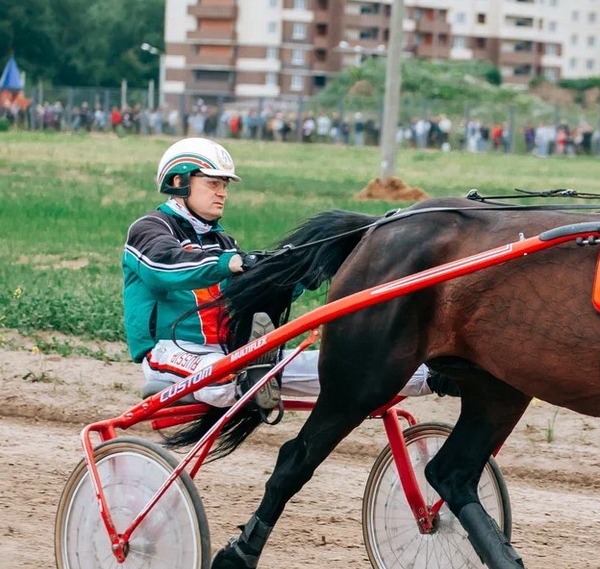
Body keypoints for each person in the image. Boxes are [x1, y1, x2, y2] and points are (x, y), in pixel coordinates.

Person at [123, 137, 451, 408]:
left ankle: (431, 377)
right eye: (212, 183)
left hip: (231, 354)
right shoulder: (150, 229)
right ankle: (230, 382)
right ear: (179, 182)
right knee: (227, 377)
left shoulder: (223, 241)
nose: (222, 192)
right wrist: (230, 263)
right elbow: (163, 266)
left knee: (341, 368)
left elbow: (251, 292)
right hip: (168, 352)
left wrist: (299, 277)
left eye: (224, 184)